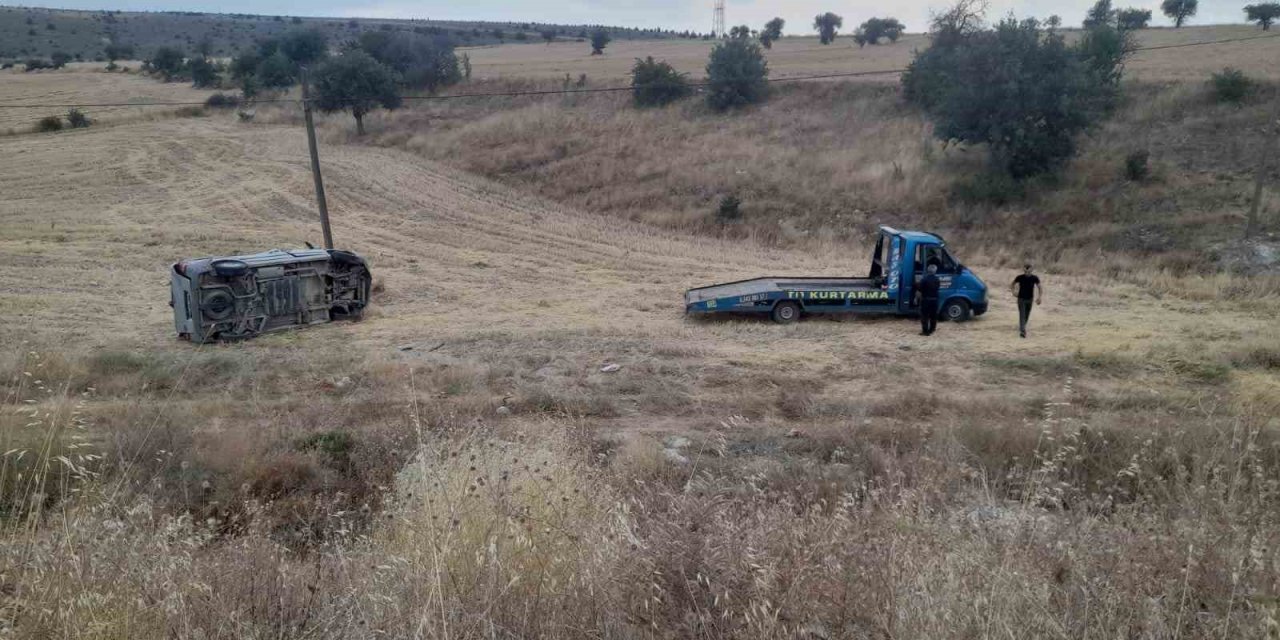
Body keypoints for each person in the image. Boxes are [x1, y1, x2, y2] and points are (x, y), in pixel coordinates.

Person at [1011, 264, 1043, 338]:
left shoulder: (1035, 278)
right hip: (1021, 299)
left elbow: (1040, 288)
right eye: (1026, 270)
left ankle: (1022, 326)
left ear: (1031, 270)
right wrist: (1013, 292)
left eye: (1029, 271)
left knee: (1027, 314)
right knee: (1022, 314)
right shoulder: (1020, 277)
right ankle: (1023, 331)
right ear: (1024, 270)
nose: (1027, 272)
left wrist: (1039, 297)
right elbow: (1012, 284)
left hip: (1030, 299)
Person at [915, 263, 941, 336]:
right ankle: (932, 330)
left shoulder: (924, 279)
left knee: (924, 316)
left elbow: (920, 288)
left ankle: (925, 332)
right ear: (935, 271)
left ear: (928, 271)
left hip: (926, 300)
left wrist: (916, 284)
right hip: (935, 300)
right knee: (933, 316)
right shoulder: (937, 279)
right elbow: (937, 288)